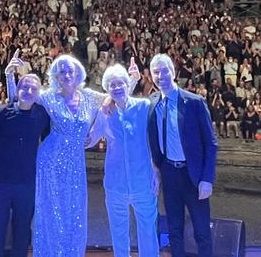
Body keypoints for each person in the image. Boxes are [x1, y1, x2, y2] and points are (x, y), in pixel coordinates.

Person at [7, 51, 105, 257]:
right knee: (51, 210)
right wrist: (10, 76)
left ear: (77, 73)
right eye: (61, 72)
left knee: (74, 211)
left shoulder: (91, 97)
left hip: (75, 162)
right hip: (50, 160)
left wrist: (97, 134)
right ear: (56, 76)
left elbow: (117, 95)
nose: (66, 75)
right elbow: (20, 98)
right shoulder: (49, 97)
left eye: (70, 71)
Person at [147, 53, 217, 257]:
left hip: (193, 175)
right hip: (169, 173)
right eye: (156, 72)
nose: (161, 76)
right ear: (151, 76)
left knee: (202, 231)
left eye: (165, 70)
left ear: (174, 72)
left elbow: (211, 144)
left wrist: (207, 179)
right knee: (174, 230)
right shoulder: (151, 103)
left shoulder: (195, 102)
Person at [88, 61, 160, 257]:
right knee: (119, 234)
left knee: (148, 231)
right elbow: (90, 139)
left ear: (128, 84)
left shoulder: (144, 107)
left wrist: (156, 171)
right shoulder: (105, 113)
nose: (117, 87)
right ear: (107, 89)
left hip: (143, 182)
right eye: (112, 84)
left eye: (120, 83)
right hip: (115, 184)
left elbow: (154, 140)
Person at [0, 64, 50, 257]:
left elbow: (50, 141)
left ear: (38, 93)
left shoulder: (42, 116)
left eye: (33, 88)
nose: (28, 91)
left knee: (22, 235)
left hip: (26, 185)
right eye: (25, 87)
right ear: (17, 90)